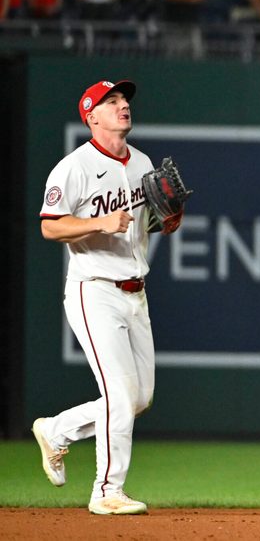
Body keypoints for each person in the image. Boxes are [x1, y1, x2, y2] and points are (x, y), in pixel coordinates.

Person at [33, 79, 182, 515]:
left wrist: (166, 222)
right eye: (111, 102)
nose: (122, 106)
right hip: (93, 290)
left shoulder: (142, 163)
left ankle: (58, 429)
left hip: (137, 293)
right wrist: (97, 223)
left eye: (124, 100)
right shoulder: (73, 168)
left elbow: (145, 223)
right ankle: (106, 491)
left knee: (138, 399)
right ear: (91, 116)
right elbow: (49, 225)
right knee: (119, 393)